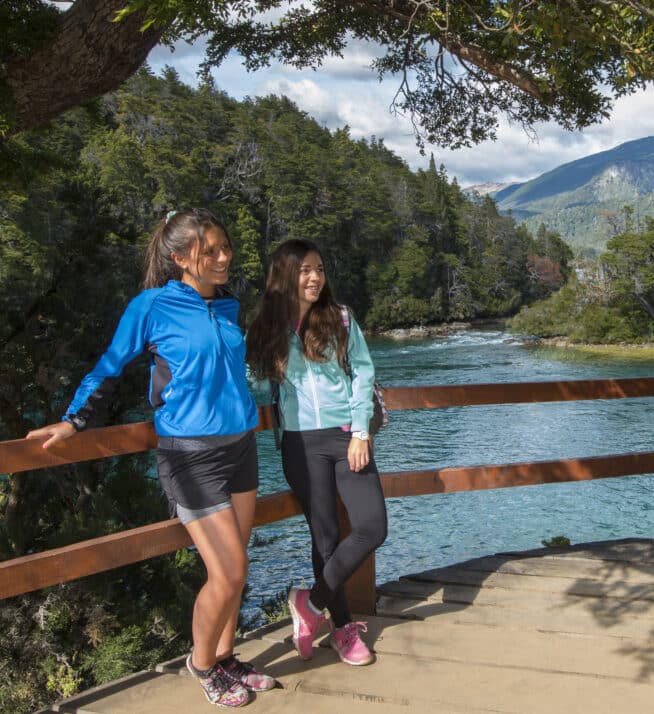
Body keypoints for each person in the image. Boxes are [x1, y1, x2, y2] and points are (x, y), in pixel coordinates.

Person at [26, 209, 275, 708]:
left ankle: (226, 657)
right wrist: (74, 420)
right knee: (226, 571)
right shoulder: (152, 306)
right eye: (212, 251)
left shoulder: (226, 306)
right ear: (181, 257)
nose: (225, 257)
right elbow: (109, 365)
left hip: (241, 448)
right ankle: (201, 664)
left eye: (226, 247)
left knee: (237, 569)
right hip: (189, 456)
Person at [246, 238, 386, 666]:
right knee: (323, 535)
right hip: (300, 442)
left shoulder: (340, 318)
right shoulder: (268, 327)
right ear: (285, 274)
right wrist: (259, 364)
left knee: (372, 526)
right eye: (305, 269)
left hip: (347, 436)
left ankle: (309, 604)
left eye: (320, 269)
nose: (315, 277)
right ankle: (342, 629)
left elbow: (363, 373)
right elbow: (252, 384)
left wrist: (361, 432)